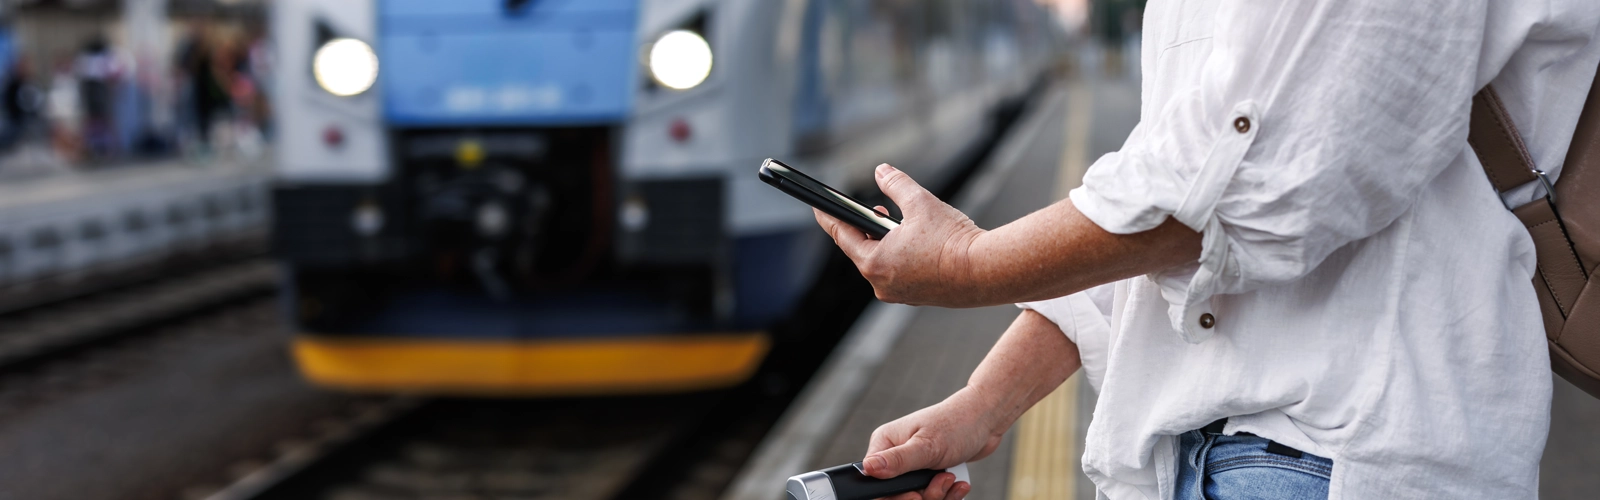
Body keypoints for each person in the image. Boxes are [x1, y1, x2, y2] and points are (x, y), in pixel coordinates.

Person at [811, 1, 1600, 499]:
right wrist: (981, 409)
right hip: (1182, 449)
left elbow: (1242, 187)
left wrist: (968, 264)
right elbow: (1155, 219)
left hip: (1339, 449)